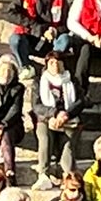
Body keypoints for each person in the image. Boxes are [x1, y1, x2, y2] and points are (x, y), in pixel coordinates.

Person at [29, 50, 81, 181]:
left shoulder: (72, 80)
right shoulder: (39, 81)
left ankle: (68, 175)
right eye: (51, 63)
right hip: (46, 119)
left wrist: (66, 114)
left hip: (69, 119)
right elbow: (36, 105)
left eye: (58, 62)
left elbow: (81, 101)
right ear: (47, 64)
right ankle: (43, 174)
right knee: (45, 139)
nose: (55, 66)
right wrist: (54, 114)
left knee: (68, 146)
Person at [6, 0, 69, 68]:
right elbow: (10, 14)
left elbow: (67, 24)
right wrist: (32, 25)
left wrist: (55, 31)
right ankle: (25, 67)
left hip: (51, 42)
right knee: (15, 39)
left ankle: (52, 64)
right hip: (30, 37)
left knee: (65, 39)